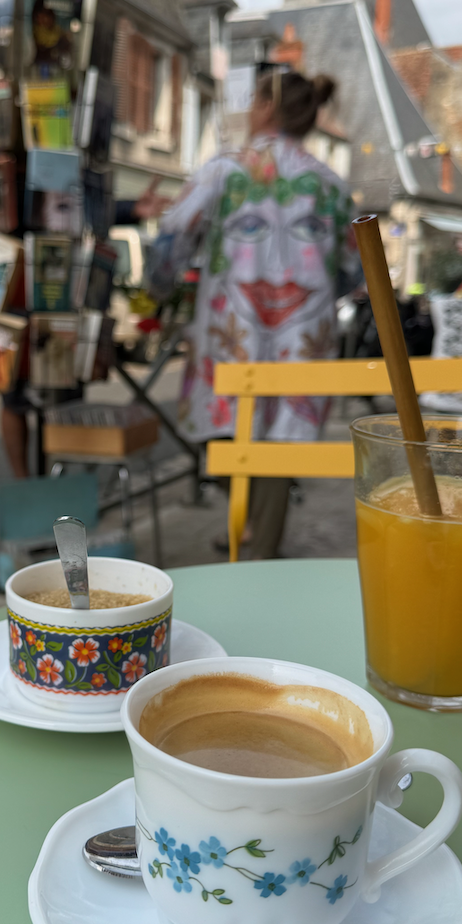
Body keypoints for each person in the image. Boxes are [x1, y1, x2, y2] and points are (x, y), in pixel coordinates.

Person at [146, 67, 361, 559]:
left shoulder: (225, 171)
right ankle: (252, 529)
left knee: (226, 434)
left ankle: (259, 549)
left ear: (265, 107)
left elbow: (172, 241)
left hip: (231, 329)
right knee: (279, 440)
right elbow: (356, 269)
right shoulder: (330, 185)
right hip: (304, 333)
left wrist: (159, 289)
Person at [0, 176, 170, 478]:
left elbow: (74, 214)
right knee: (16, 400)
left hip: (66, 301)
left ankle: (59, 481)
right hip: (18, 302)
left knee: (64, 402)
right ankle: (27, 483)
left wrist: (129, 209)